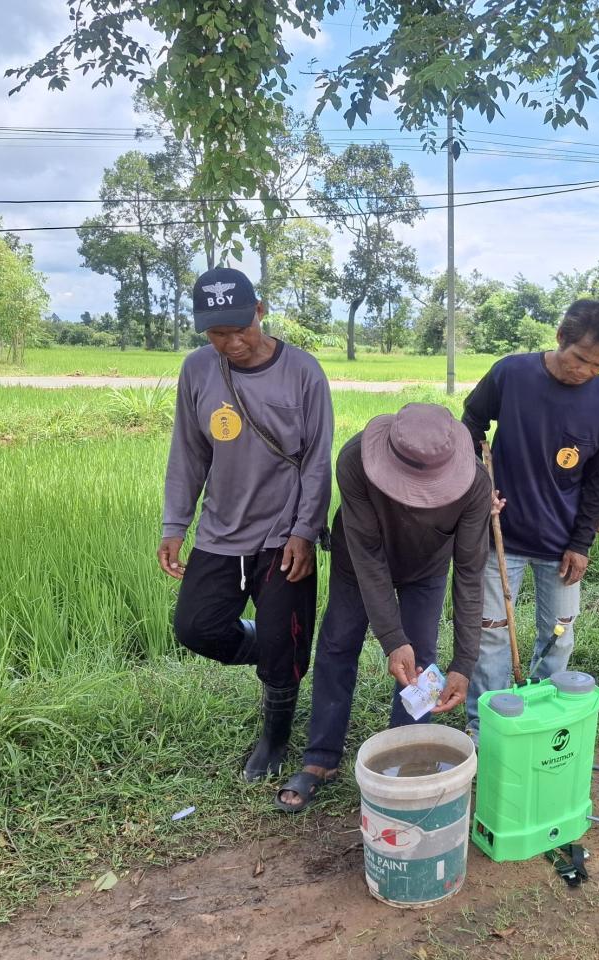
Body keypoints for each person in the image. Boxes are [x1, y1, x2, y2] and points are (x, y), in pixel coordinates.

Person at [159, 266, 332, 781]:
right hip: (220, 530)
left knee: (284, 647)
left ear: (260, 311)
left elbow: (319, 459)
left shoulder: (303, 371)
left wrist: (305, 530)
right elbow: (188, 452)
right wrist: (175, 524)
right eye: (217, 332)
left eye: (241, 327)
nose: (231, 342)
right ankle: (275, 645)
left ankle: (275, 737)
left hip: (284, 534)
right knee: (196, 626)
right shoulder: (197, 370)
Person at [277, 403, 492, 812]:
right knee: (338, 645)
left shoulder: (476, 485)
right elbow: (368, 555)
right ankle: (321, 758)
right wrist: (392, 638)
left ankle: (410, 756)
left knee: (423, 658)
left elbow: (469, 573)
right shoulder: (355, 460)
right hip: (357, 564)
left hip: (427, 569)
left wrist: (464, 662)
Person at [462, 299, 599, 736]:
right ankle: (487, 726)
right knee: (493, 634)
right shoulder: (512, 374)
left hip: (562, 542)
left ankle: (538, 712)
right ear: (560, 339)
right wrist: (479, 472)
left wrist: (581, 543)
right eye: (580, 359)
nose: (586, 371)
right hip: (503, 535)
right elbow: (472, 420)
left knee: (560, 633)